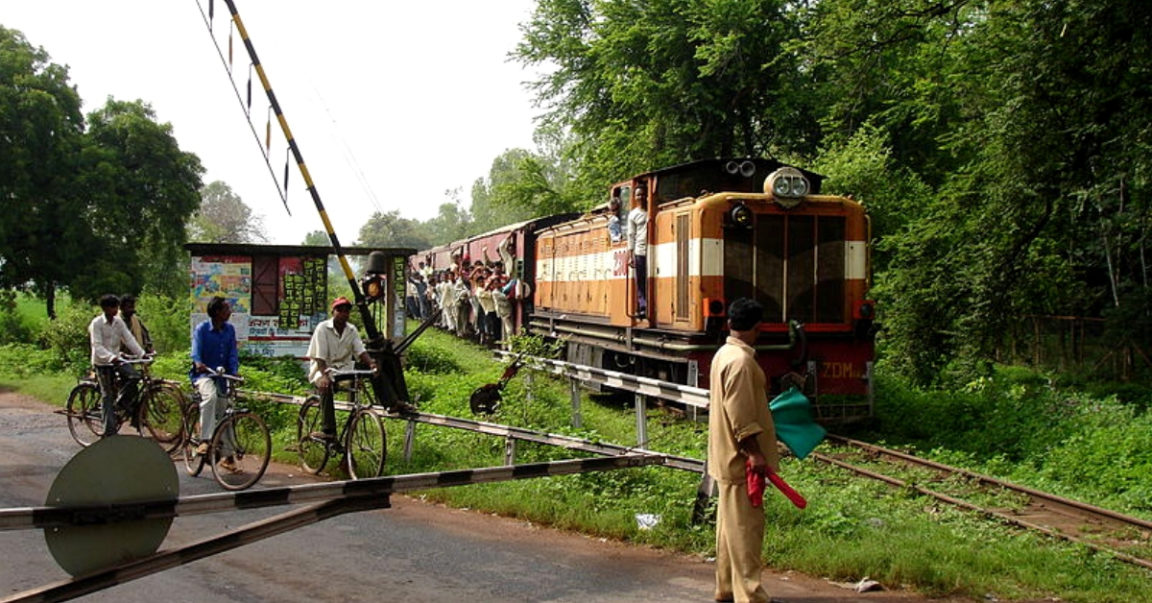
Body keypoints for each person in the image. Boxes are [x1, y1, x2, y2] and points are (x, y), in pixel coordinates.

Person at [707, 297, 779, 603]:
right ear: (758, 328)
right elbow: (740, 416)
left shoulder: (723, 354)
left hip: (724, 458)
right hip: (740, 463)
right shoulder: (741, 363)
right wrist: (755, 453)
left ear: (729, 325)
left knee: (728, 530)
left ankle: (725, 588)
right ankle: (750, 595)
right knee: (745, 532)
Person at [307, 297, 378, 443]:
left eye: (346, 311)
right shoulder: (322, 328)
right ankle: (328, 430)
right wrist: (325, 376)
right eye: (339, 310)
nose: (343, 313)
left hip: (344, 369)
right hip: (323, 368)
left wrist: (371, 364)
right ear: (333, 312)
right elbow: (320, 357)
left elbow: (360, 351)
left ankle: (391, 402)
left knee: (376, 371)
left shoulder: (351, 330)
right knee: (325, 386)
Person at [190, 296, 241, 467]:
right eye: (226, 309)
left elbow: (232, 353)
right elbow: (196, 351)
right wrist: (198, 363)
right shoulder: (202, 329)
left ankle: (226, 453)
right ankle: (205, 440)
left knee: (224, 410)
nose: (229, 312)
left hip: (221, 376)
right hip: (204, 375)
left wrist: (234, 373)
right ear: (217, 312)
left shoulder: (230, 330)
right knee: (210, 398)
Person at [89, 294, 146, 436]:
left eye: (116, 307)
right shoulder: (96, 324)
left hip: (117, 359)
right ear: (105, 308)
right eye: (112, 307)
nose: (115, 310)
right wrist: (111, 357)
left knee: (134, 376)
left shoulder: (118, 322)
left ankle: (121, 403)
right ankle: (109, 432)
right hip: (102, 362)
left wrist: (142, 354)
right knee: (107, 395)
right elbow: (97, 345)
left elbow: (129, 339)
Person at [626, 184, 649, 317]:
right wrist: (630, 255)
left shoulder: (651, 211)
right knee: (641, 280)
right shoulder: (633, 215)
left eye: (642, 194)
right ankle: (643, 305)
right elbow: (631, 234)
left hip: (653, 249)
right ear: (635, 197)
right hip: (640, 250)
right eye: (638, 194)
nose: (640, 197)